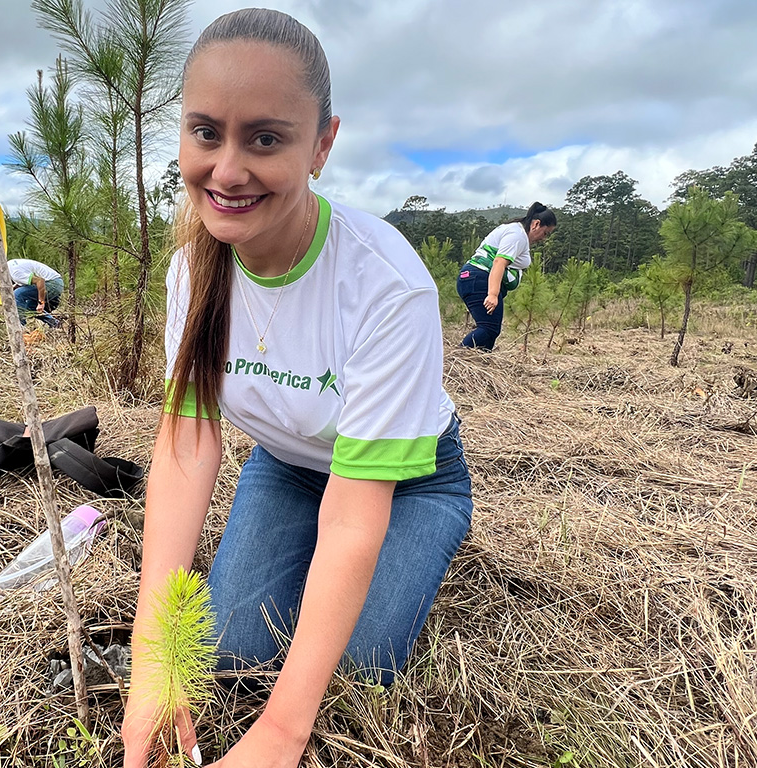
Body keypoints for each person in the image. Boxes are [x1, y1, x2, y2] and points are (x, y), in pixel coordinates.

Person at [120, 10, 472, 768]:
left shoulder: (384, 285)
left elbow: (353, 513)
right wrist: (157, 661)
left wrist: (284, 732)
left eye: (267, 139)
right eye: (206, 133)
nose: (228, 169)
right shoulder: (194, 267)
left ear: (323, 143)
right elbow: (188, 446)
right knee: (232, 652)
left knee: (356, 668)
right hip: (287, 465)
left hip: (406, 483)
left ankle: (426, 546)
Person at [456, 203, 557, 350]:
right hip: (479, 279)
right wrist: (492, 294)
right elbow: (499, 262)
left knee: (490, 331)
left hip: (473, 278)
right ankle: (457, 359)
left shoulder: (515, 230)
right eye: (545, 233)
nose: (544, 239)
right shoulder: (517, 236)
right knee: (488, 329)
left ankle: (478, 364)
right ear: (536, 224)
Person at [7, 258, 62, 328]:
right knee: (30, 306)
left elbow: (40, 281)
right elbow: (27, 282)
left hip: (52, 283)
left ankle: (20, 326)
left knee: (17, 294)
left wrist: (41, 302)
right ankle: (53, 322)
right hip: (57, 282)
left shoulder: (15, 273)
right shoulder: (10, 265)